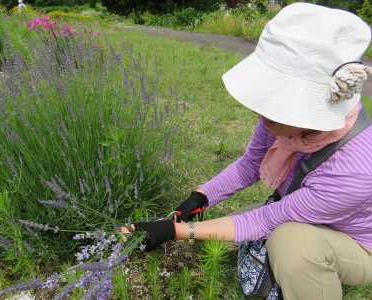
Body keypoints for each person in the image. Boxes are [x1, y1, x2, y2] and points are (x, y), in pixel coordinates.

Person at [121, 3, 372, 299]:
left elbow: (264, 220)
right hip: (301, 212)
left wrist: (174, 231)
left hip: (357, 241)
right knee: (230, 234)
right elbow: (250, 165)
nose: (261, 112)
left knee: (291, 244)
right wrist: (201, 196)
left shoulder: (356, 167)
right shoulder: (281, 120)